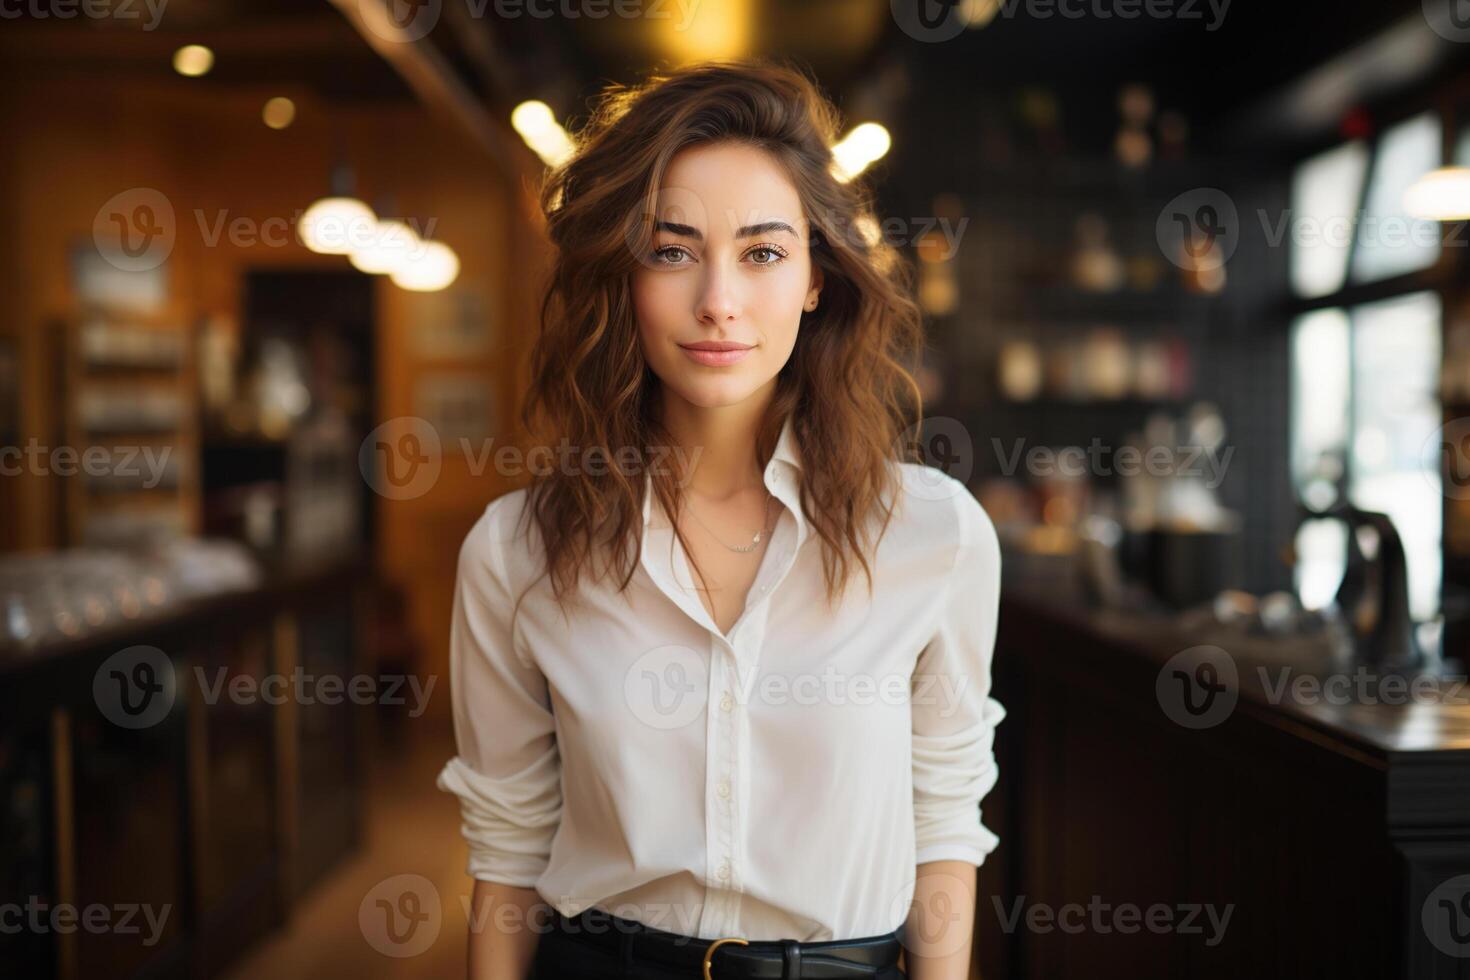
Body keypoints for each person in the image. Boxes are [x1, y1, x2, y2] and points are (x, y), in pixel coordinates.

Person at [436, 58, 1005, 980]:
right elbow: (506, 850)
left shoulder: (933, 536)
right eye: (671, 250)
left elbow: (943, 822)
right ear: (623, 276)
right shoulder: (516, 550)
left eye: (763, 252)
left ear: (818, 278)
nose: (718, 301)